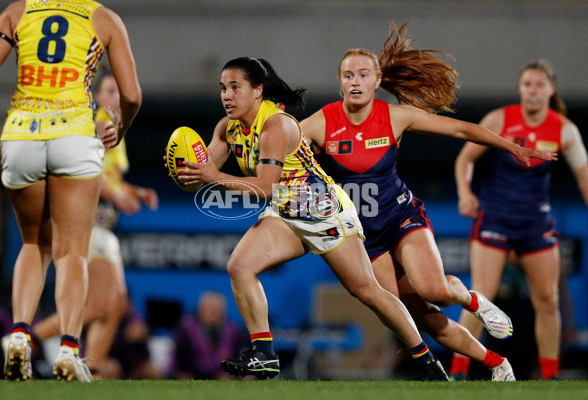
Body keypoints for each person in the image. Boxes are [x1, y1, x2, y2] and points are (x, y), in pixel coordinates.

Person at [299, 23, 556, 382]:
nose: (354, 81)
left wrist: (511, 146)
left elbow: (461, 130)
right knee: (419, 316)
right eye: (347, 75)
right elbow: (276, 150)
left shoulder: (393, 117)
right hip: (362, 238)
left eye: (362, 74)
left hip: (401, 218)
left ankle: (474, 302)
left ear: (376, 81)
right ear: (340, 81)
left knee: (434, 289)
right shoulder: (319, 123)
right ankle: (498, 363)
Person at [172, 56, 449, 381]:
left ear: (258, 90)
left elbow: (263, 187)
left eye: (236, 87)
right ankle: (264, 353)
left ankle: (427, 361)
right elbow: (204, 171)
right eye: (223, 88)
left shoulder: (276, 125)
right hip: (286, 210)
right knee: (240, 266)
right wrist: (187, 171)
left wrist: (210, 175)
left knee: (368, 292)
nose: (227, 95)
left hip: (321, 208)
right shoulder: (226, 128)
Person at [0, 0, 141, 381]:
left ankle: (21, 336)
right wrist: (119, 130)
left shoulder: (17, 11)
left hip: (22, 132)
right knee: (71, 251)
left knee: (32, 245)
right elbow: (132, 95)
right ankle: (69, 350)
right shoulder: (103, 17)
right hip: (74, 131)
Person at [451, 59, 588, 380]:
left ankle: (550, 375)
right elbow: (466, 158)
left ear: (551, 90)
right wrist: (464, 192)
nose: (533, 91)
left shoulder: (564, 129)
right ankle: (458, 370)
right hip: (496, 217)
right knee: (481, 295)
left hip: (535, 222)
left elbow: (584, 176)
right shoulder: (500, 119)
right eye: (528, 84)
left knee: (547, 298)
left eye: (540, 84)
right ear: (520, 89)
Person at [31, 69, 157, 379]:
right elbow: (85, 173)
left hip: (104, 225)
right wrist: (116, 194)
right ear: (97, 96)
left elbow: (110, 179)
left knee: (114, 307)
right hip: (87, 223)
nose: (118, 98)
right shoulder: (97, 122)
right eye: (111, 91)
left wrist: (135, 191)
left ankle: (91, 371)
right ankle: (27, 338)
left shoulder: (115, 129)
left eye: (120, 91)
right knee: (101, 306)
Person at [171, 291, 250, 380]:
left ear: (223, 312)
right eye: (208, 308)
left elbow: (241, 358)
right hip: (192, 374)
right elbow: (179, 358)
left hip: (224, 376)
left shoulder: (235, 332)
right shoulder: (186, 330)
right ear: (200, 310)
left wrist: (232, 373)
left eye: (216, 309)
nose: (212, 312)